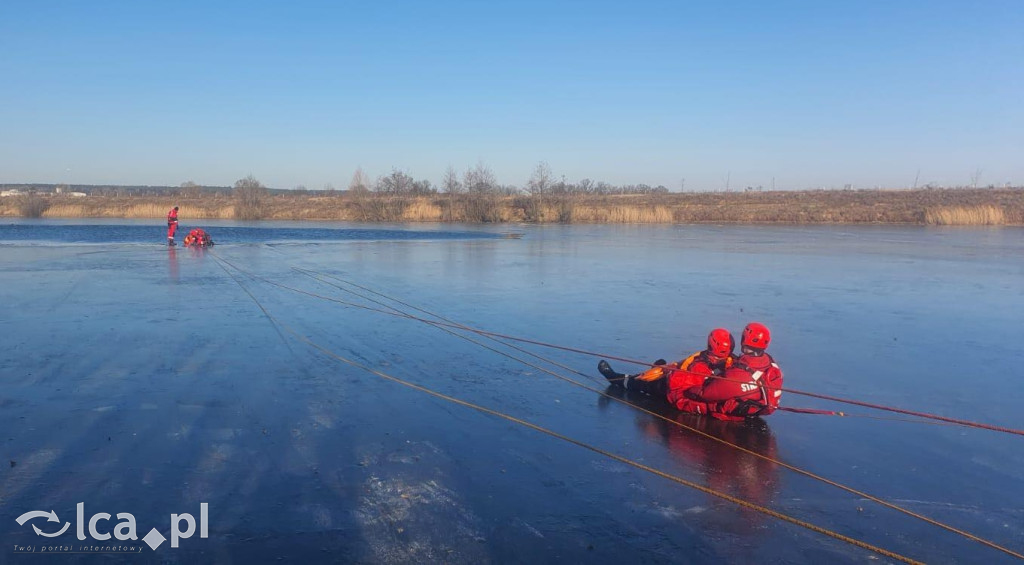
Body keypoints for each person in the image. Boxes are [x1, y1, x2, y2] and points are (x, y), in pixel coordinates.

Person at [674, 322, 783, 421]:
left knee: (677, 392)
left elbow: (705, 394)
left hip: (729, 410)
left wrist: (688, 389)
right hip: (755, 407)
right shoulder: (770, 362)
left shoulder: (737, 374)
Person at [600, 328, 736, 398]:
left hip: (672, 388)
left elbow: (679, 383)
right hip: (684, 379)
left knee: (641, 382)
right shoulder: (731, 362)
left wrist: (668, 371)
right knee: (658, 369)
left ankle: (615, 378)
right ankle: (655, 368)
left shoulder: (701, 365)